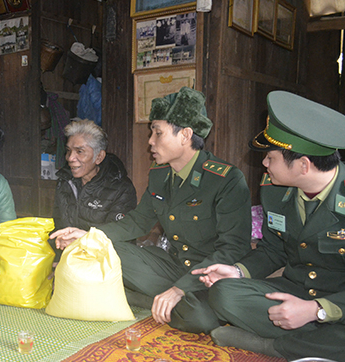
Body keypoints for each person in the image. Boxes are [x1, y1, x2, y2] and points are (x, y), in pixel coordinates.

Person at [51, 87, 252, 333]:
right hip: (173, 266)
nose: (150, 142)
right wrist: (89, 235)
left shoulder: (225, 179)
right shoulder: (160, 175)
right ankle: (160, 301)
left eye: (157, 133)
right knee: (105, 249)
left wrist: (180, 288)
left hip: (208, 275)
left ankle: (147, 299)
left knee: (201, 319)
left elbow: (234, 248)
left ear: (185, 135)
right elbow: (136, 222)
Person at [193, 91, 345, 362]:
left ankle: (274, 346)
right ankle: (322, 343)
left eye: (271, 158)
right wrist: (237, 271)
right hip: (294, 290)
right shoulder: (274, 190)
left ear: (303, 165)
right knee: (224, 293)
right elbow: (273, 250)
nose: (264, 164)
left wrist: (317, 310)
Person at [53, 119, 137, 234]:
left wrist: (82, 240)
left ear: (99, 157)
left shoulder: (121, 189)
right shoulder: (65, 182)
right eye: (68, 151)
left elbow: (118, 236)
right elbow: (58, 225)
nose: (70, 158)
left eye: (79, 151)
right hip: (69, 250)